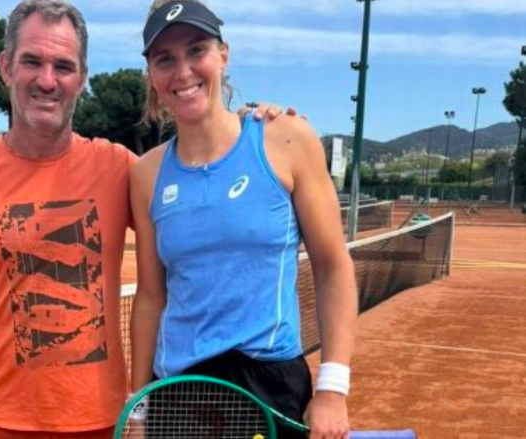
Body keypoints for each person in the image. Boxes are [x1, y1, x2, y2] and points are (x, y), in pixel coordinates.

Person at [0, 1, 287, 438]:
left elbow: (204, 200)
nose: (47, 80)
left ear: (82, 78)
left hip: (108, 423)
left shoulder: (123, 170)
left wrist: (244, 126)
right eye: (32, 61)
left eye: (64, 66)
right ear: (5, 67)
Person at [128, 2, 358, 439]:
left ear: (223, 55)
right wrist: (138, 407)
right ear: (152, 77)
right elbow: (150, 296)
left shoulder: (288, 139)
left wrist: (333, 388)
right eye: (165, 59)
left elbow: (332, 265)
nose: (183, 72)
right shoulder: (146, 175)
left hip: (270, 387)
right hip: (179, 394)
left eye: (197, 50)